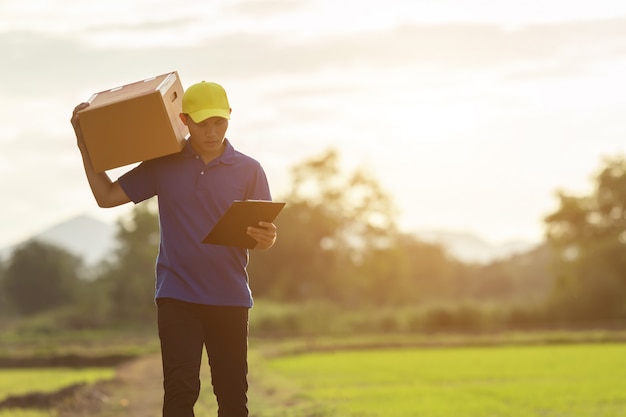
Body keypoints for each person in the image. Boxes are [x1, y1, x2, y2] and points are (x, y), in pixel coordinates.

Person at [71, 80, 277, 417]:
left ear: (229, 117)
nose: (211, 132)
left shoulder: (250, 170)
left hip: (230, 297)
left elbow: (262, 236)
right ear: (184, 120)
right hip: (178, 296)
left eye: (219, 122)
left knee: (233, 399)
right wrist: (84, 145)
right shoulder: (163, 164)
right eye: (201, 123)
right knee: (180, 393)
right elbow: (106, 197)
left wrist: (268, 238)